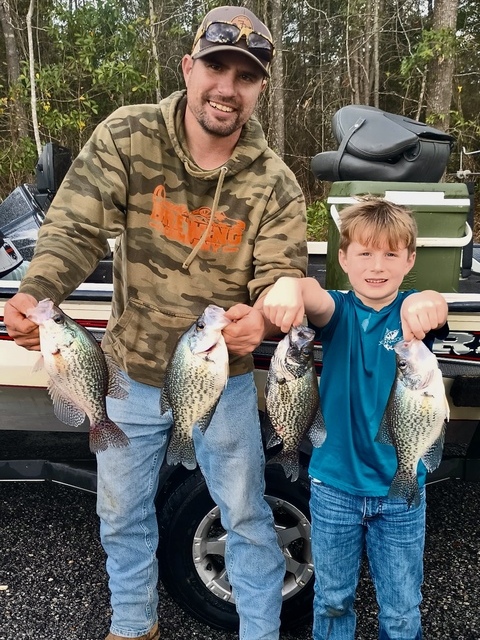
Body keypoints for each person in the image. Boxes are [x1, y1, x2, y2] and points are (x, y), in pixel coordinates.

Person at [4, 6, 308, 640]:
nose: (227, 87)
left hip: (218, 380)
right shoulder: (128, 135)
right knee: (120, 513)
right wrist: (36, 296)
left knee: (247, 516)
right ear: (188, 66)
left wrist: (263, 318)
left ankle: (261, 631)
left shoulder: (277, 185)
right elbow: (74, 227)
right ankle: (134, 625)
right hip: (128, 372)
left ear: (260, 89)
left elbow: (279, 277)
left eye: (245, 76)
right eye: (217, 67)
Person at [262, 198, 449, 640]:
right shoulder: (339, 312)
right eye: (364, 253)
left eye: (389, 254)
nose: (376, 265)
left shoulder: (410, 314)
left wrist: (429, 301)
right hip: (334, 489)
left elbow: (433, 304)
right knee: (331, 600)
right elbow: (312, 297)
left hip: (401, 491)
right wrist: (290, 283)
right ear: (343, 260)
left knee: (402, 611)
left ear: (410, 259)